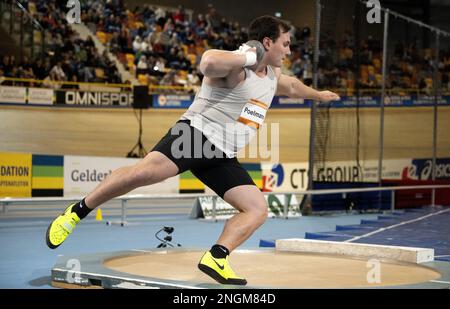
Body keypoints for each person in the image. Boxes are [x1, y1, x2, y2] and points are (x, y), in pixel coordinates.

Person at [45, 15, 340, 285]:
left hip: (221, 154)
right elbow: (207, 63)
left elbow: (292, 86)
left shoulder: (273, 77)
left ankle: (217, 256)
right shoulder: (238, 70)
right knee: (143, 173)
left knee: (257, 208)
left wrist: (319, 95)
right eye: (285, 44)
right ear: (267, 43)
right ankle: (76, 212)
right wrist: (247, 56)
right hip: (195, 136)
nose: (289, 51)